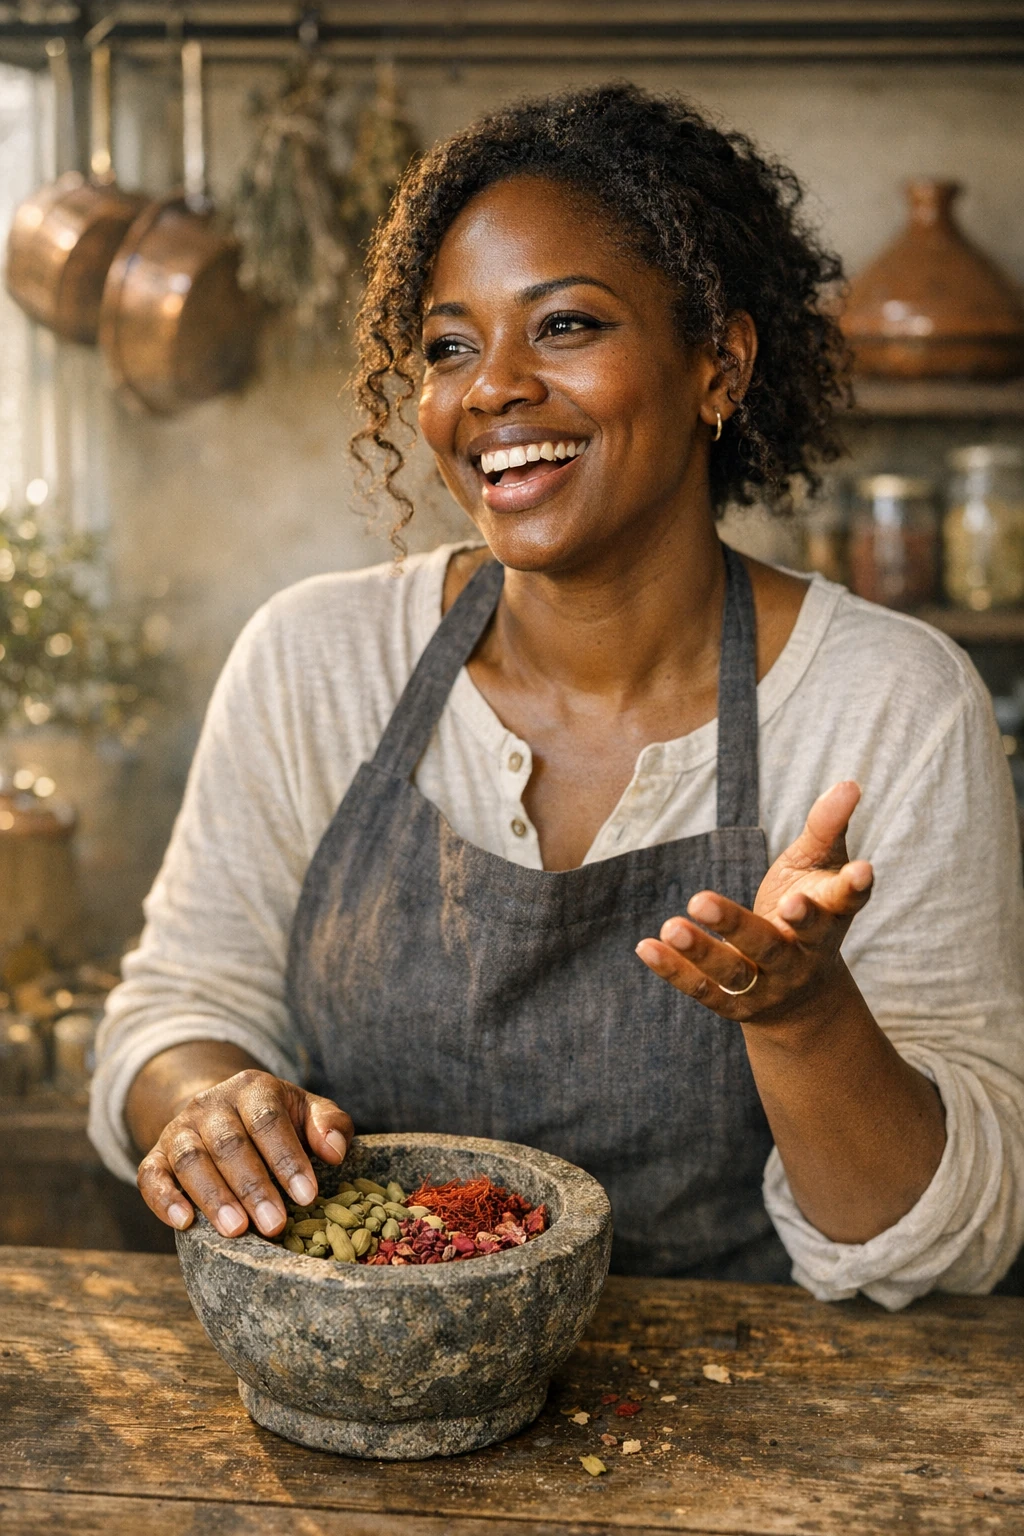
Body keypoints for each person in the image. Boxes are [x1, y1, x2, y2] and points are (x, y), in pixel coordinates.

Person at [90, 84, 1024, 1307]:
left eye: (566, 326)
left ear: (718, 365)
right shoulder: (316, 657)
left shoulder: (890, 702)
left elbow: (952, 1247)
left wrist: (803, 1019)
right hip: (371, 1395)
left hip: (745, 1415)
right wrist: (210, 1100)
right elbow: (178, 1006)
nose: (491, 389)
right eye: (449, 344)